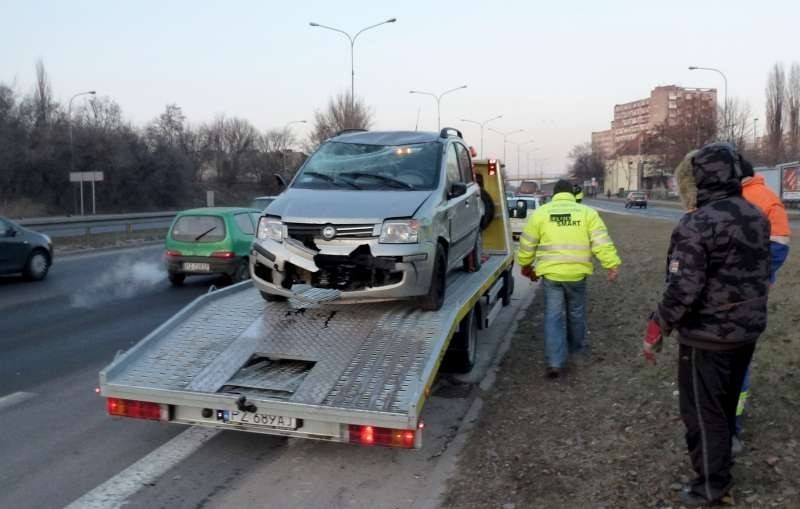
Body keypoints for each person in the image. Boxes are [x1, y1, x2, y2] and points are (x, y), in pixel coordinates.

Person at [642, 143, 770, 507]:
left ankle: (712, 488)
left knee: (703, 414)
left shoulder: (698, 223)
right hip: (746, 332)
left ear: (701, 177)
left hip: (708, 339)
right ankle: (720, 471)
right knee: (725, 408)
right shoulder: (755, 214)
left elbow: (683, 288)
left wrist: (656, 329)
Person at [517, 179, 621, 378]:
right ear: (573, 194)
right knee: (576, 314)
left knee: (553, 317)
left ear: (554, 194)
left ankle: (555, 363)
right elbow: (601, 241)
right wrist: (611, 265)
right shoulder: (587, 214)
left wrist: (525, 265)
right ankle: (577, 353)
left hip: (551, 275)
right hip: (577, 274)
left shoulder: (541, 213)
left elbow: (527, 243)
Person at [732, 159, 792, 453]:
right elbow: (780, 245)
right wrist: (763, 280)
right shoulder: (769, 199)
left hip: (726, 296)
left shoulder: (724, 198)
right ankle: (734, 424)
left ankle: (725, 423)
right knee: (740, 359)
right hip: (751, 298)